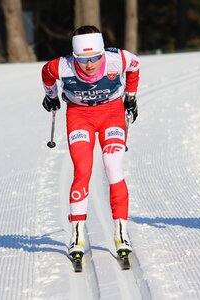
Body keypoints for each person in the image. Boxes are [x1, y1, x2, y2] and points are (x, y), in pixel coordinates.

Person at [41, 25, 140, 259]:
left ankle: (121, 231)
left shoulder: (118, 59)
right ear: (74, 56)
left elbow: (135, 67)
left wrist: (131, 97)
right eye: (83, 59)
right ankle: (77, 236)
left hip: (111, 114)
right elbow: (46, 73)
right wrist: (51, 96)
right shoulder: (61, 66)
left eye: (95, 57)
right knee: (82, 171)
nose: (90, 64)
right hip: (79, 116)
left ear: (103, 52)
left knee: (112, 166)